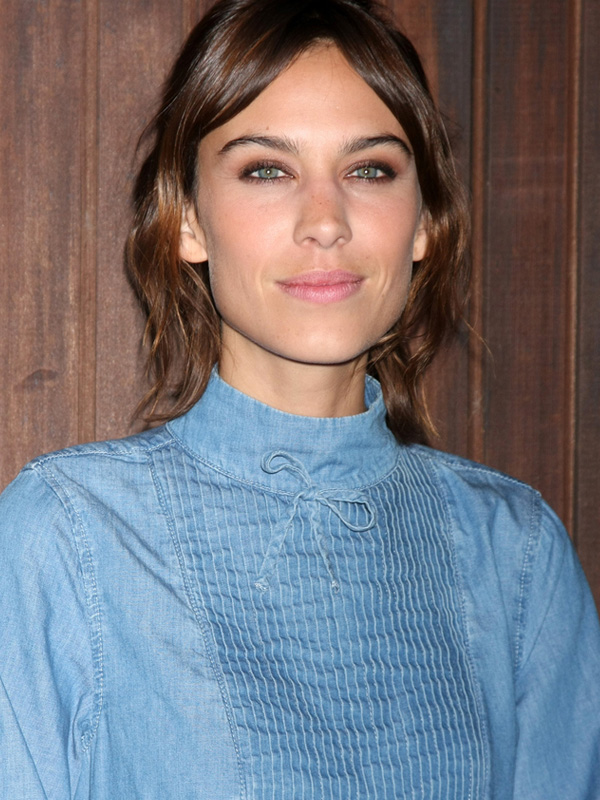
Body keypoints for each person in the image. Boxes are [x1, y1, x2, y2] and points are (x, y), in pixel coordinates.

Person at [1, 0, 599, 797]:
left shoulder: (515, 554)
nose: (326, 221)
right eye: (267, 170)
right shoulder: (66, 536)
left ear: (424, 223)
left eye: (369, 170)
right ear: (187, 220)